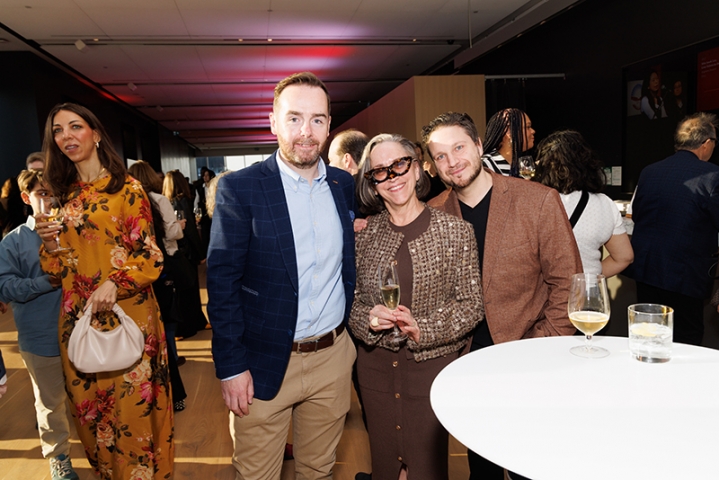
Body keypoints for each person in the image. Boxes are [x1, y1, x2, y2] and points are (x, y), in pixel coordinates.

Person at [207, 71, 357, 480]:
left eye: (317, 119)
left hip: (332, 358)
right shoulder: (241, 189)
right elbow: (222, 285)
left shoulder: (342, 184)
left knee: (319, 471)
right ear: (273, 122)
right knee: (256, 474)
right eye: (294, 118)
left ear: (329, 124)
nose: (306, 131)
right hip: (262, 362)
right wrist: (231, 367)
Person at [422, 112, 582, 480]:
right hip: (468, 365)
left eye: (459, 148)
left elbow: (568, 284)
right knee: (484, 466)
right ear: (433, 165)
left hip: (531, 357)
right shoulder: (434, 213)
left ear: (479, 145)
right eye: (441, 155)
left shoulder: (537, 200)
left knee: (534, 464)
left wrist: (540, 344)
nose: (452, 161)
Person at [36, 102, 173, 479]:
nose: (66, 136)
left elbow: (151, 255)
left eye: (75, 126)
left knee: (133, 416)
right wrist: (48, 245)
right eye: (58, 131)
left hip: (128, 316)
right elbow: (57, 269)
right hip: (78, 318)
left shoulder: (126, 188)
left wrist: (115, 281)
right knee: (91, 416)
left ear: (95, 134)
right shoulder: (63, 195)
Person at [350, 133, 483, 480]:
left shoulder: (456, 232)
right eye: (380, 171)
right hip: (375, 369)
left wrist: (425, 328)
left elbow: (471, 305)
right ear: (372, 182)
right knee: (385, 467)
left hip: (430, 370)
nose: (392, 176)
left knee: (427, 469)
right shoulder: (364, 236)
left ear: (417, 168)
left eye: (399, 164)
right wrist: (369, 318)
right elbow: (351, 303)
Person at [0, 169, 80, 480]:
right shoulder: (14, 242)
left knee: (89, 399)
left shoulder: (76, 231)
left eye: (54, 192)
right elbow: (5, 288)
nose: (50, 200)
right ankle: (59, 457)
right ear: (26, 198)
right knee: (49, 402)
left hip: (83, 333)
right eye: (42, 193)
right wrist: (45, 282)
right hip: (40, 336)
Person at [626, 112, 719, 346]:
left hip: (647, 271)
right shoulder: (713, 176)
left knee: (648, 336)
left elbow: (637, 214)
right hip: (685, 275)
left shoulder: (649, 171)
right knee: (686, 341)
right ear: (706, 143)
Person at [128, 160, 189, 411]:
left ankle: (156, 396)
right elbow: (173, 233)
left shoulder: (128, 202)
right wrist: (179, 227)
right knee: (165, 327)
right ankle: (174, 393)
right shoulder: (157, 200)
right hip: (162, 268)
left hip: (135, 275)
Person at [533, 130, 634, 277]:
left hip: (544, 288)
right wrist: (590, 277)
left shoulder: (531, 201)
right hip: (585, 289)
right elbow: (624, 257)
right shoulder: (604, 203)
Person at [163, 169, 209, 338]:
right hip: (186, 251)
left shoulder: (166, 202)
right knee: (190, 289)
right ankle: (192, 325)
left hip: (174, 251)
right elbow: (190, 230)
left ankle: (196, 323)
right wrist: (201, 253)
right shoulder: (182, 201)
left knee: (183, 290)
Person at [481, 108, 535, 177]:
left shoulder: (522, 165)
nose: (533, 131)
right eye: (528, 127)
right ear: (509, 132)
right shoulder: (486, 165)